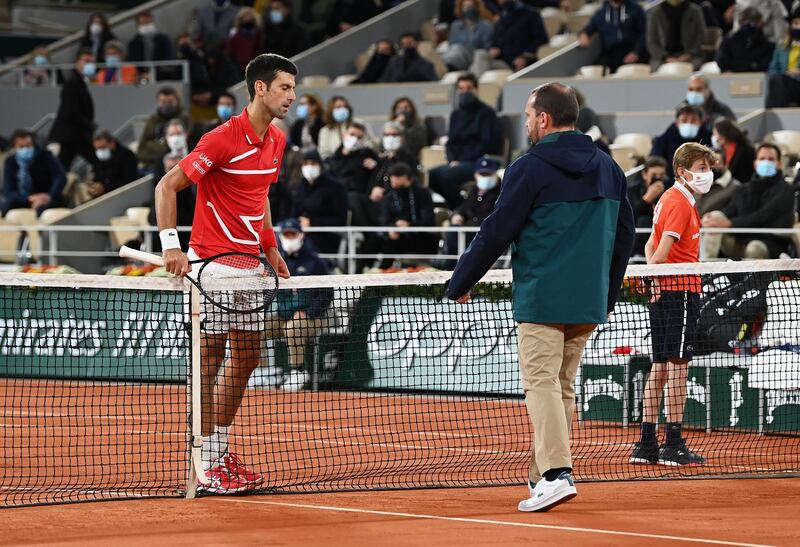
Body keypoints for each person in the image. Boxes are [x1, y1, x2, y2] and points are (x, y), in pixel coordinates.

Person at [445, 83, 634, 512]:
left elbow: (497, 229)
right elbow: (624, 238)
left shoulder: (528, 166)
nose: (527, 123)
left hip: (543, 297)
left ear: (544, 118)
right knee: (562, 386)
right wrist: (607, 293)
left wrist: (461, 281)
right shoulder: (609, 168)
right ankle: (540, 475)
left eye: (529, 116)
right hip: (587, 297)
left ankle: (555, 474)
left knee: (541, 384)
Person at [155, 53, 297, 494]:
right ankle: (205, 454)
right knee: (211, 355)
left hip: (251, 267)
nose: (292, 96)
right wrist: (171, 246)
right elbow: (167, 186)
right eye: (285, 87)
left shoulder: (276, 140)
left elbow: (260, 198)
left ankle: (216, 448)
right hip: (210, 267)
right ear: (260, 88)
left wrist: (271, 248)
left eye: (293, 88)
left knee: (249, 355)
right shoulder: (220, 139)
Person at [630, 142, 714, 468]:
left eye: (709, 168)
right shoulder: (679, 201)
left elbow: (651, 242)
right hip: (679, 292)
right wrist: (656, 277)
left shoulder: (667, 198)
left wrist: (652, 280)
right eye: (702, 168)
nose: (707, 174)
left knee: (661, 366)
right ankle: (673, 444)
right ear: (683, 170)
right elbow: (662, 249)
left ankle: (647, 443)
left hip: (666, 292)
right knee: (678, 368)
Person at [267, 218, 334, 390]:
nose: (289, 238)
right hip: (283, 315)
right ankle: (260, 372)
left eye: (292, 234)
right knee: (254, 326)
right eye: (285, 234)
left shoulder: (315, 261)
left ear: (301, 235)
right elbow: (267, 291)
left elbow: (326, 293)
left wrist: (309, 312)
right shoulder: (273, 260)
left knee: (293, 328)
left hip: (314, 318)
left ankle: (298, 371)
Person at [701, 142, 795, 259]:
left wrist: (729, 223)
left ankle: (752, 277)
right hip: (740, 240)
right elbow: (729, 211)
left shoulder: (785, 190)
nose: (766, 162)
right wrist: (710, 218)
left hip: (768, 244)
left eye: (771, 159)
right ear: (755, 164)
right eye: (762, 158)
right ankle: (707, 271)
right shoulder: (744, 188)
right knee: (716, 217)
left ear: (779, 164)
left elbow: (761, 216)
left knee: (754, 248)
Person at [429, 73, 501, 208]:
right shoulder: (455, 114)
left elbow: (487, 143)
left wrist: (461, 161)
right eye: (461, 88)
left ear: (476, 89)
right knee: (431, 176)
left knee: (447, 178)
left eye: (468, 88)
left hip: (477, 161)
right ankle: (459, 206)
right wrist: (452, 160)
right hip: (456, 161)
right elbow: (450, 142)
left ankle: (464, 210)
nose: (464, 92)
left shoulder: (487, 113)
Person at [442, 155, 502, 264]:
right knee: (454, 230)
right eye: (482, 174)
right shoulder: (474, 190)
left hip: (487, 233)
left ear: (495, 174)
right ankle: (450, 264)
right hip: (471, 232)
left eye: (488, 174)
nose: (485, 177)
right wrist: (459, 215)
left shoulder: (502, 192)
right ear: (475, 175)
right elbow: (466, 206)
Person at [380, 162, 438, 268]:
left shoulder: (423, 193)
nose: (393, 179)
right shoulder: (389, 196)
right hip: (397, 239)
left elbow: (429, 221)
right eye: (392, 176)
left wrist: (409, 225)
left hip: (421, 238)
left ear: (407, 178)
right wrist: (392, 228)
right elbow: (384, 220)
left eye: (397, 176)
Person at [292, 148, 348, 254]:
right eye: (306, 164)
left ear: (320, 166)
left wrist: (312, 222)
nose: (309, 167)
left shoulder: (335, 187)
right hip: (301, 235)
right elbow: (294, 213)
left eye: (313, 163)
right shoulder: (301, 187)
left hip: (325, 236)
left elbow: (340, 220)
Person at [49, 49, 96, 171]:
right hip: (73, 134)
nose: (89, 64)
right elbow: (70, 111)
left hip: (73, 135)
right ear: (77, 62)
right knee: (96, 162)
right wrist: (89, 124)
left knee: (62, 167)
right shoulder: (72, 83)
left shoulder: (79, 82)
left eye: (92, 61)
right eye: (86, 61)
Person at [472, 0, 548, 74]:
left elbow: (541, 39)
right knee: (479, 57)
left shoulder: (531, 14)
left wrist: (524, 57)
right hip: (501, 61)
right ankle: (471, 84)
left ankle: (473, 85)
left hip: (517, 64)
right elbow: (494, 40)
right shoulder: (501, 16)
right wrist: (493, 48)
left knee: (480, 56)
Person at [2, 129, 66, 215]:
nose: (25, 149)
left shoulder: (46, 156)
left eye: (28, 146)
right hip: (24, 199)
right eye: (21, 147)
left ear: (33, 145)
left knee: (42, 210)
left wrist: (49, 196)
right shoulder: (10, 162)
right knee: (6, 207)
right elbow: (8, 189)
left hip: (47, 197)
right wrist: (28, 199)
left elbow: (60, 177)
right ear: (14, 148)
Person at [71, 130, 139, 205]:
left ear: (112, 143)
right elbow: (97, 175)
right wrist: (93, 185)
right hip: (102, 195)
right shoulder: (97, 157)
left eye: (102, 147)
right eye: (97, 149)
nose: (100, 151)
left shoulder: (127, 155)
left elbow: (129, 180)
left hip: (122, 195)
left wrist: (105, 187)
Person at [579, 0, 647, 73]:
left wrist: (636, 52)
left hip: (631, 48)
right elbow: (589, 28)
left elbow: (644, 33)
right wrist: (584, 34)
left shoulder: (635, 9)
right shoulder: (601, 13)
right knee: (597, 70)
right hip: (611, 52)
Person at [137, 87, 193, 171]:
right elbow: (141, 151)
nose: (166, 105)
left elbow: (187, 143)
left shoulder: (185, 119)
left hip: (183, 162)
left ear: (177, 101)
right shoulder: (153, 120)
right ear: (158, 102)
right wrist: (160, 158)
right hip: (154, 164)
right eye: (163, 102)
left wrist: (152, 145)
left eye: (170, 102)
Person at [650, 104, 712, 180]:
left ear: (701, 122)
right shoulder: (667, 137)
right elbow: (654, 160)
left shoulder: (709, 137)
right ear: (677, 123)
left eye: (693, 120)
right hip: (671, 182)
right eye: (684, 120)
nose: (689, 123)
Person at [646, 0, 706, 71]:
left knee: (695, 67)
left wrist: (689, 54)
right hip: (662, 56)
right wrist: (665, 57)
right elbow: (651, 41)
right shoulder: (655, 12)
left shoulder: (695, 10)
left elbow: (701, 36)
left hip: (690, 55)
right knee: (656, 69)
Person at [627, 156, 668, 257]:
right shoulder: (632, 190)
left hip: (661, 231)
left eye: (661, 175)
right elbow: (631, 214)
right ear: (644, 174)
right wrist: (647, 199)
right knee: (643, 220)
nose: (658, 178)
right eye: (654, 175)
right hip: (638, 232)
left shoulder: (669, 190)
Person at [715, 7, 775, 74]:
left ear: (760, 23)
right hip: (732, 77)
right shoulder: (728, 42)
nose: (748, 23)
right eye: (745, 21)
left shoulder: (768, 45)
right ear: (740, 22)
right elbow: (722, 62)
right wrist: (749, 65)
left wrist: (743, 65)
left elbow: (765, 65)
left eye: (753, 21)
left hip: (757, 78)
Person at [328, 122, 379, 196]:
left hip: (359, 197)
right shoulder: (333, 159)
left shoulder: (368, 155)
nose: (355, 139)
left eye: (359, 137)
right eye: (352, 134)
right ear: (344, 135)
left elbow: (382, 173)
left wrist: (376, 167)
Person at [441, 0, 493, 71]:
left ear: (477, 8)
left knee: (459, 50)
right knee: (454, 49)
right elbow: (451, 44)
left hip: (475, 56)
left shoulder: (486, 26)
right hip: (457, 56)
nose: (469, 9)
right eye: (466, 7)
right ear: (461, 9)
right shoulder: (455, 26)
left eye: (472, 6)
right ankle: (447, 67)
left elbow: (487, 47)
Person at [126, 11, 176, 80]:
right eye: (143, 23)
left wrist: (153, 74)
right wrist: (140, 75)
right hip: (139, 79)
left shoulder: (164, 40)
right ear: (138, 25)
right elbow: (131, 63)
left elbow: (169, 60)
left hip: (162, 77)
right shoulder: (133, 43)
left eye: (148, 23)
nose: (146, 26)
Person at [766, 10, 800, 108]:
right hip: (784, 83)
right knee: (775, 82)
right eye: (796, 23)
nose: (798, 27)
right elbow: (772, 69)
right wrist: (785, 75)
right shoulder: (781, 47)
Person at [695, 148, 741, 217]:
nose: (711, 167)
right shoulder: (696, 184)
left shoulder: (735, 187)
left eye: (716, 163)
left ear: (726, 165)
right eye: (708, 163)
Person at [711, 118, 755, 183]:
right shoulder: (720, 151)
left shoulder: (746, 150)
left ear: (724, 134)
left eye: (715, 134)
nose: (714, 138)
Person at [225, 7, 265, 77]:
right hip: (239, 68)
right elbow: (231, 52)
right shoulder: (235, 35)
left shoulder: (258, 34)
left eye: (249, 16)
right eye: (245, 16)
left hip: (256, 66)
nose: (247, 18)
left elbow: (260, 49)